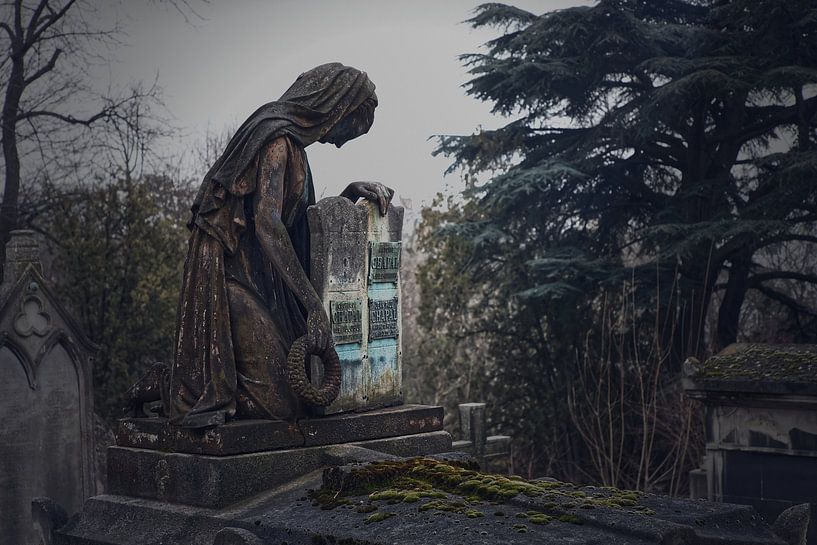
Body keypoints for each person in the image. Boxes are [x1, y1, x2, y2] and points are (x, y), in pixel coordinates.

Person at [130, 63, 392, 428]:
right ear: (336, 108)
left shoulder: (296, 150)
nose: (340, 141)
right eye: (348, 130)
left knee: (296, 397)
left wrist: (346, 199)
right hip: (230, 279)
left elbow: (293, 224)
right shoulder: (276, 140)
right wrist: (312, 303)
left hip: (264, 283)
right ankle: (172, 381)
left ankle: (212, 378)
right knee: (283, 405)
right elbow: (267, 226)